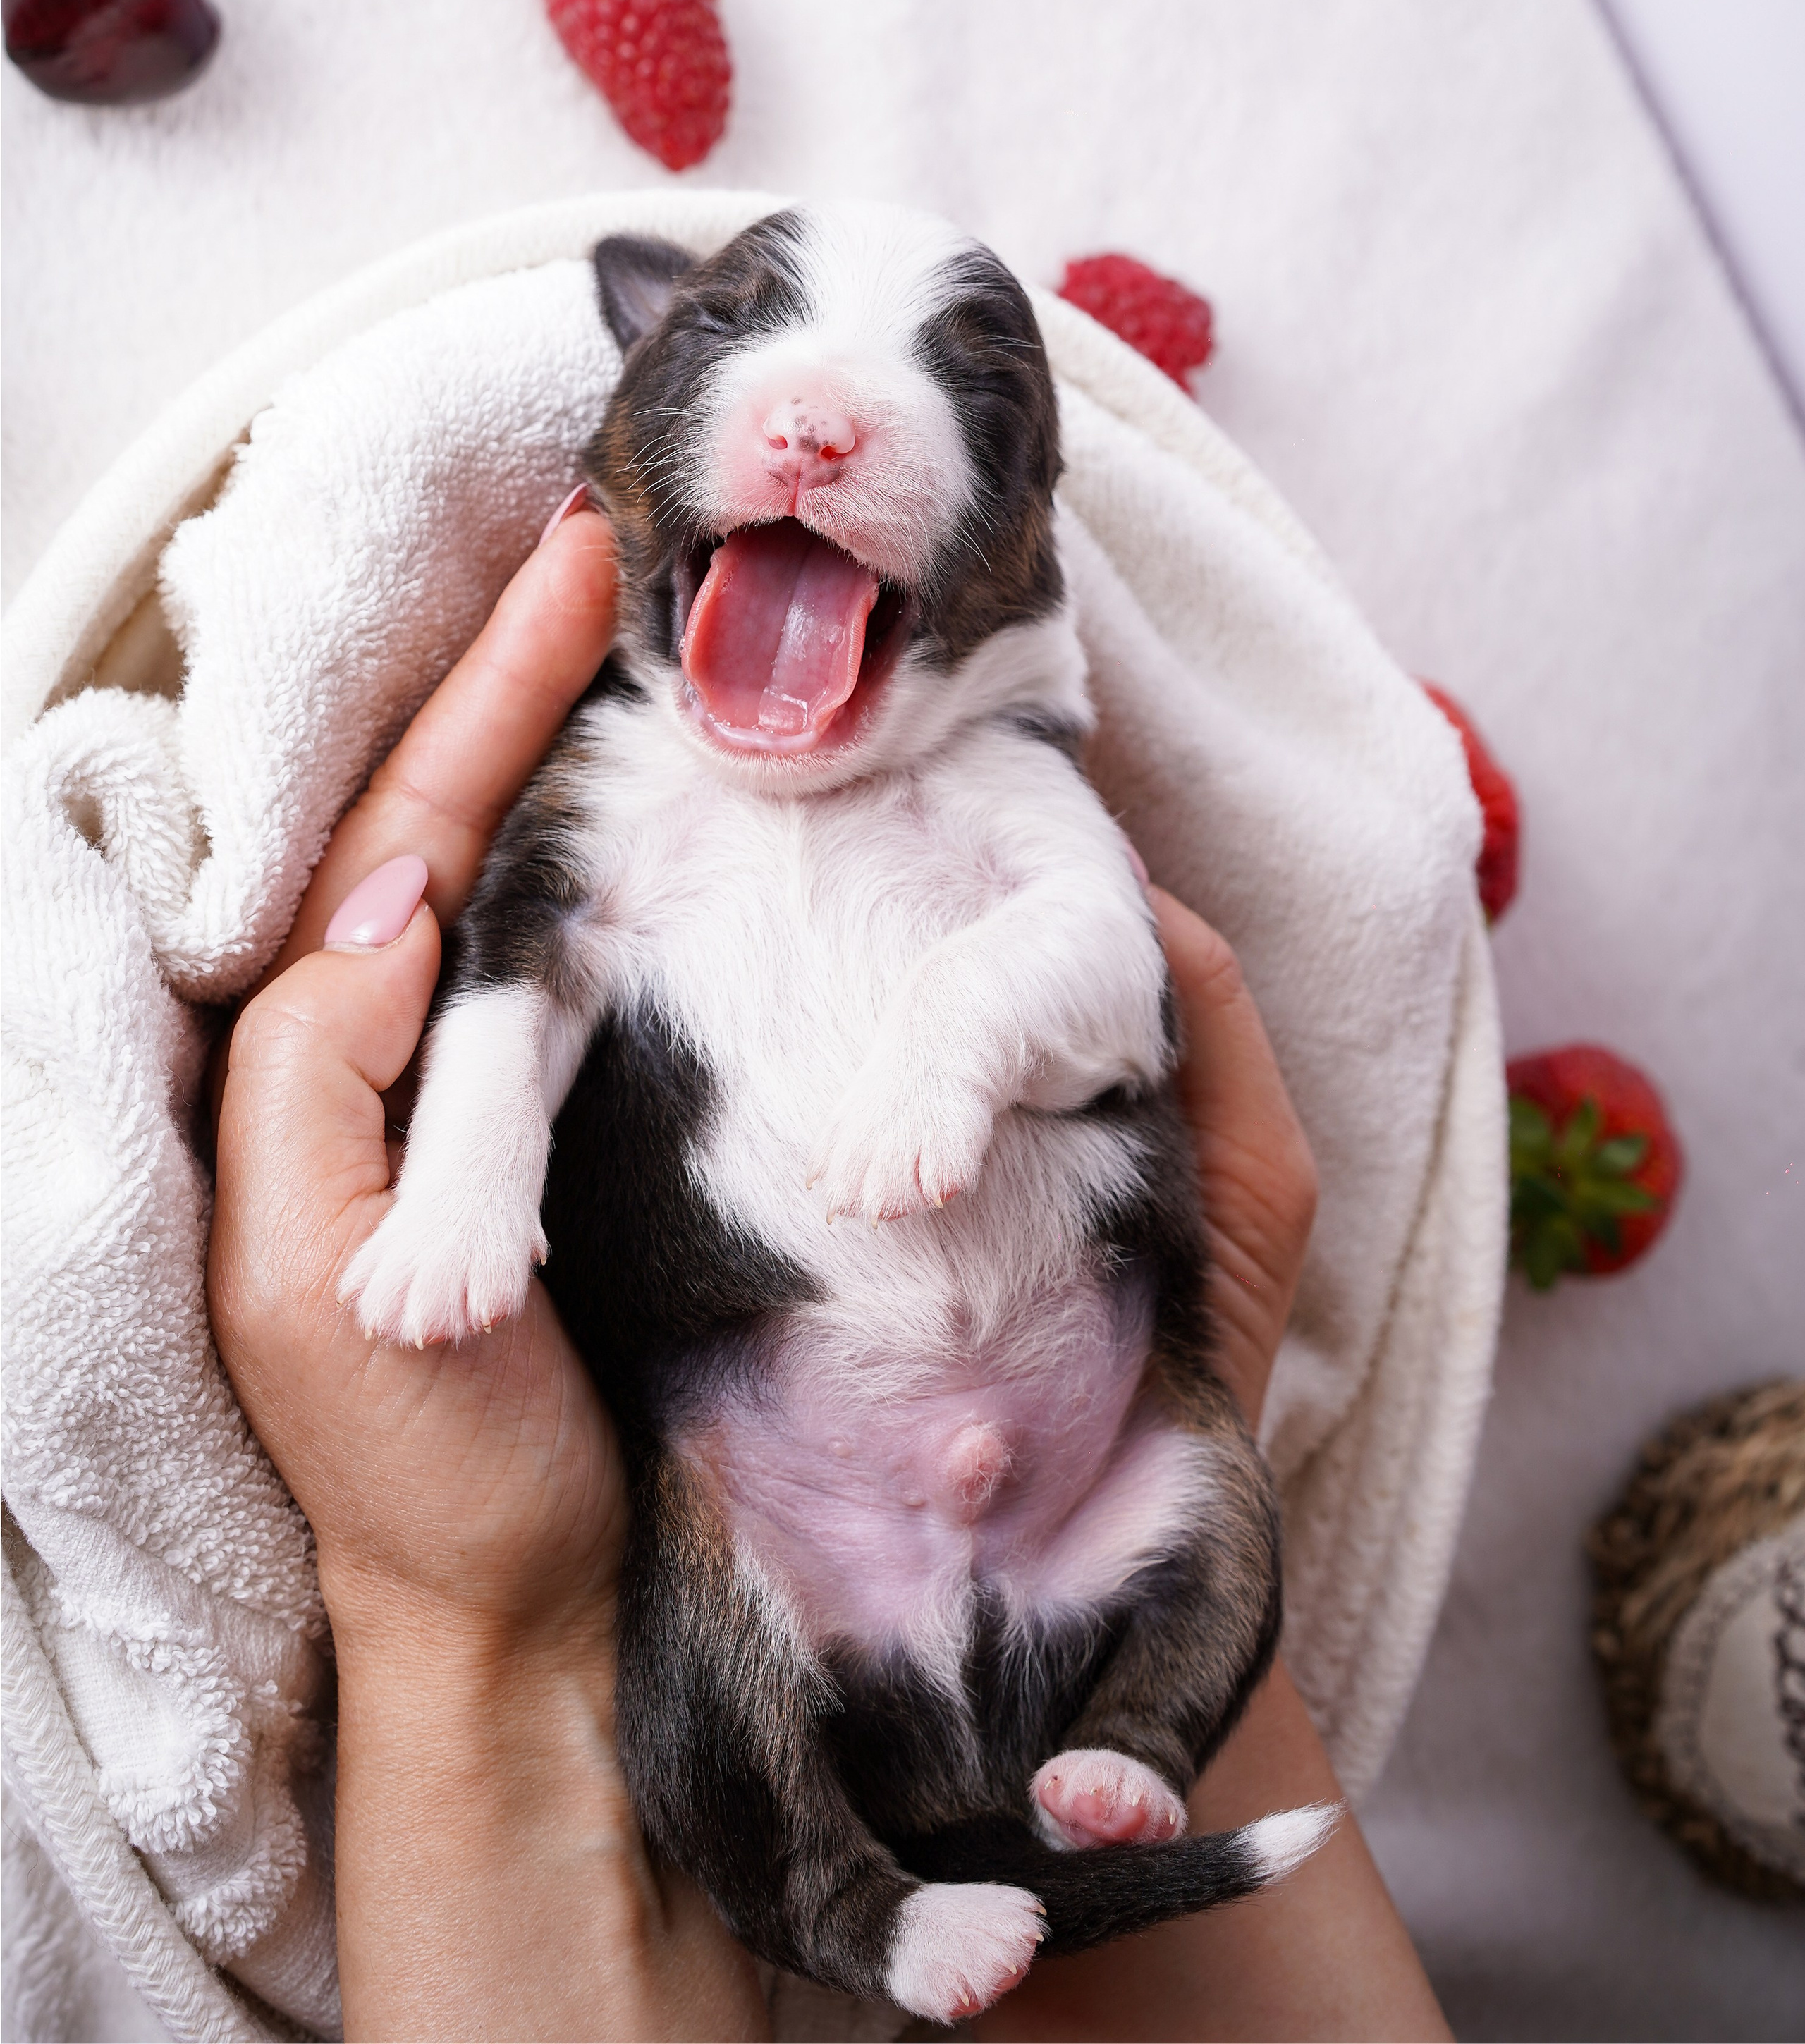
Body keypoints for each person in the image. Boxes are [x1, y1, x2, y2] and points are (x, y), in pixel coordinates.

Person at [209, 500, 1450, 2043]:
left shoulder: (995, 753)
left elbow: (1102, 978)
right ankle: (853, 1902)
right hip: (771, 1463)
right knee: (721, 1685)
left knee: (1201, 1532)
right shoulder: (630, 780)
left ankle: (1138, 1729)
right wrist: (471, 1184)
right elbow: (545, 969)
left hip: (1067, 1412)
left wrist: (480, 1629)